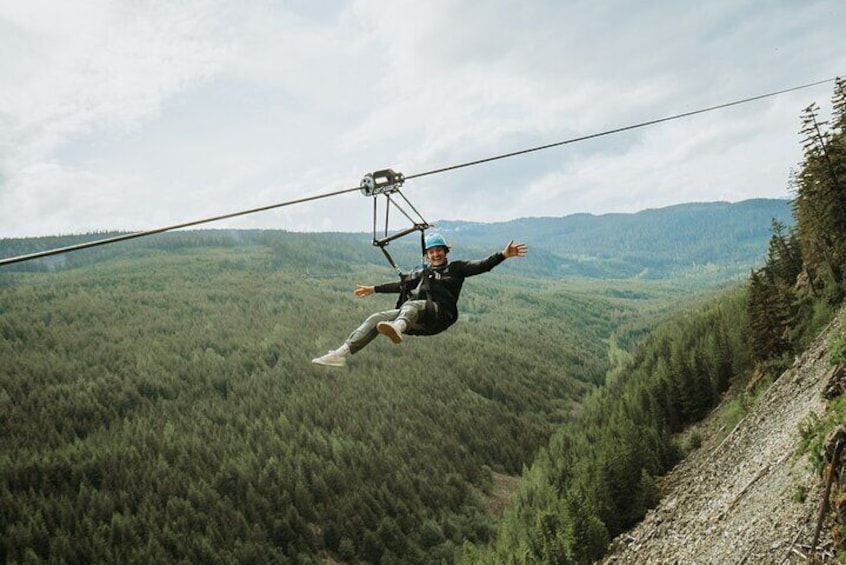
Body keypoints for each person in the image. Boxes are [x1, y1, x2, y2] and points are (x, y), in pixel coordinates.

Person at [311, 232, 528, 367]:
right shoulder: (422, 273)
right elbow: (400, 285)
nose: (435, 255)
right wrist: (373, 289)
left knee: (413, 305)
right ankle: (342, 353)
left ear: (445, 252)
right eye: (431, 252)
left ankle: (397, 327)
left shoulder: (456, 268)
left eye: (438, 251)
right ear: (427, 255)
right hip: (417, 318)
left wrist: (503, 255)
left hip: (441, 315)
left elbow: (482, 265)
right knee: (377, 318)